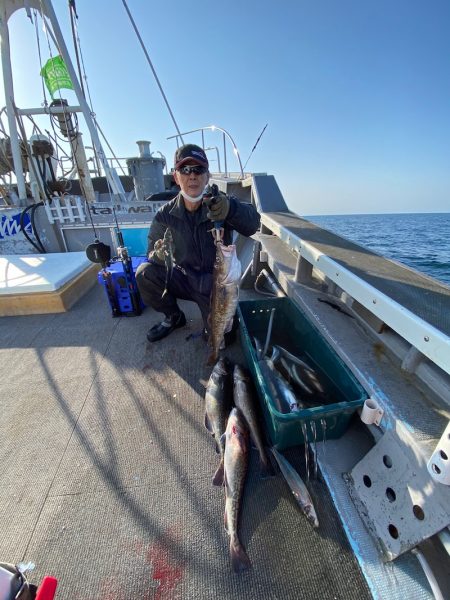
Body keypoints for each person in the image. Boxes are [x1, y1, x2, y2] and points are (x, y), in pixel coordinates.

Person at [135, 143, 261, 342]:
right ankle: (173, 316)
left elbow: (253, 224)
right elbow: (151, 253)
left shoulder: (221, 203)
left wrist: (232, 209)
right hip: (183, 278)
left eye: (198, 169)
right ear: (176, 176)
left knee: (223, 339)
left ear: (207, 176)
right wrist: (158, 255)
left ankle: (212, 325)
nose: (192, 175)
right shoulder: (164, 215)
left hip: (215, 284)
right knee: (145, 273)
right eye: (185, 169)